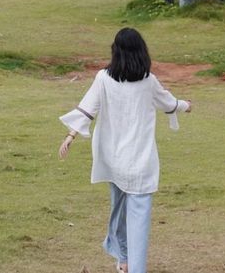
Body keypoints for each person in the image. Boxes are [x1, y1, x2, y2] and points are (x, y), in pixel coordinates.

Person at [58, 27, 192, 273]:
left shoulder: (104, 78)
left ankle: (123, 259)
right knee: (137, 220)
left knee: (119, 211)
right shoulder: (148, 82)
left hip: (114, 160)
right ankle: (129, 263)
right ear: (141, 51)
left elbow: (88, 109)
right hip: (140, 163)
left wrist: (70, 135)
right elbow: (169, 103)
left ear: (116, 51)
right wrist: (186, 106)